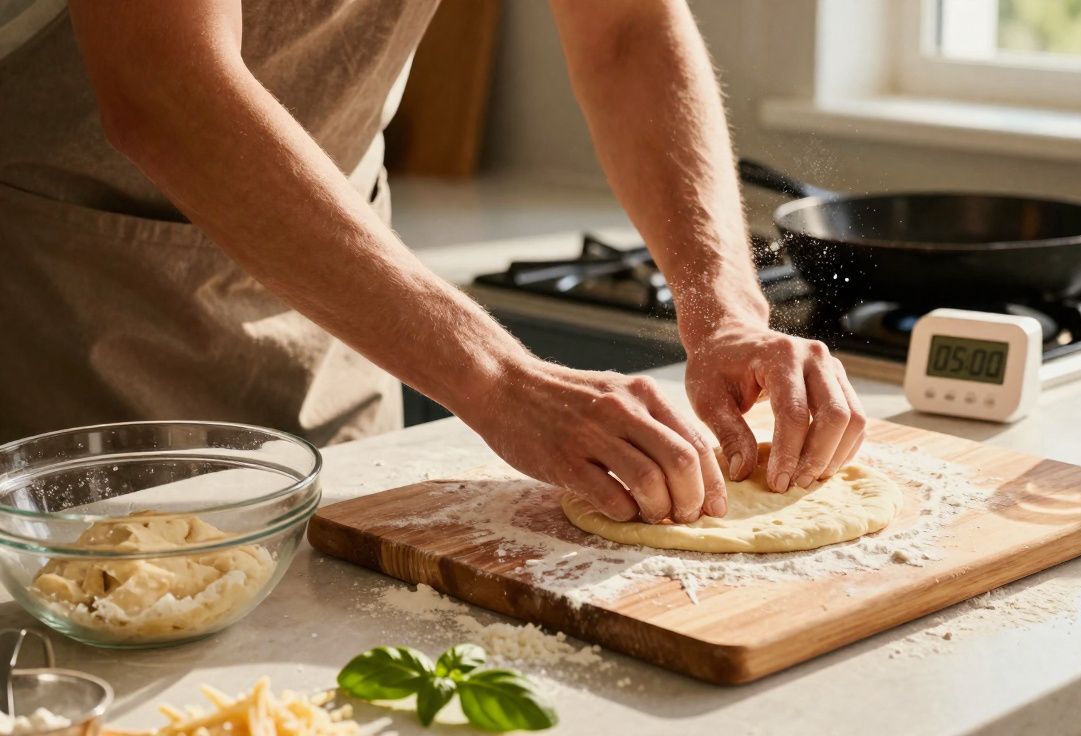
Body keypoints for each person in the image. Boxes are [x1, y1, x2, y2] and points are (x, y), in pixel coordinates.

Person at [0, 0, 866, 524]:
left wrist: (726, 312)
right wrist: (499, 380)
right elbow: (164, 87)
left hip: (335, 298)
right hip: (62, 289)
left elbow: (625, 29)